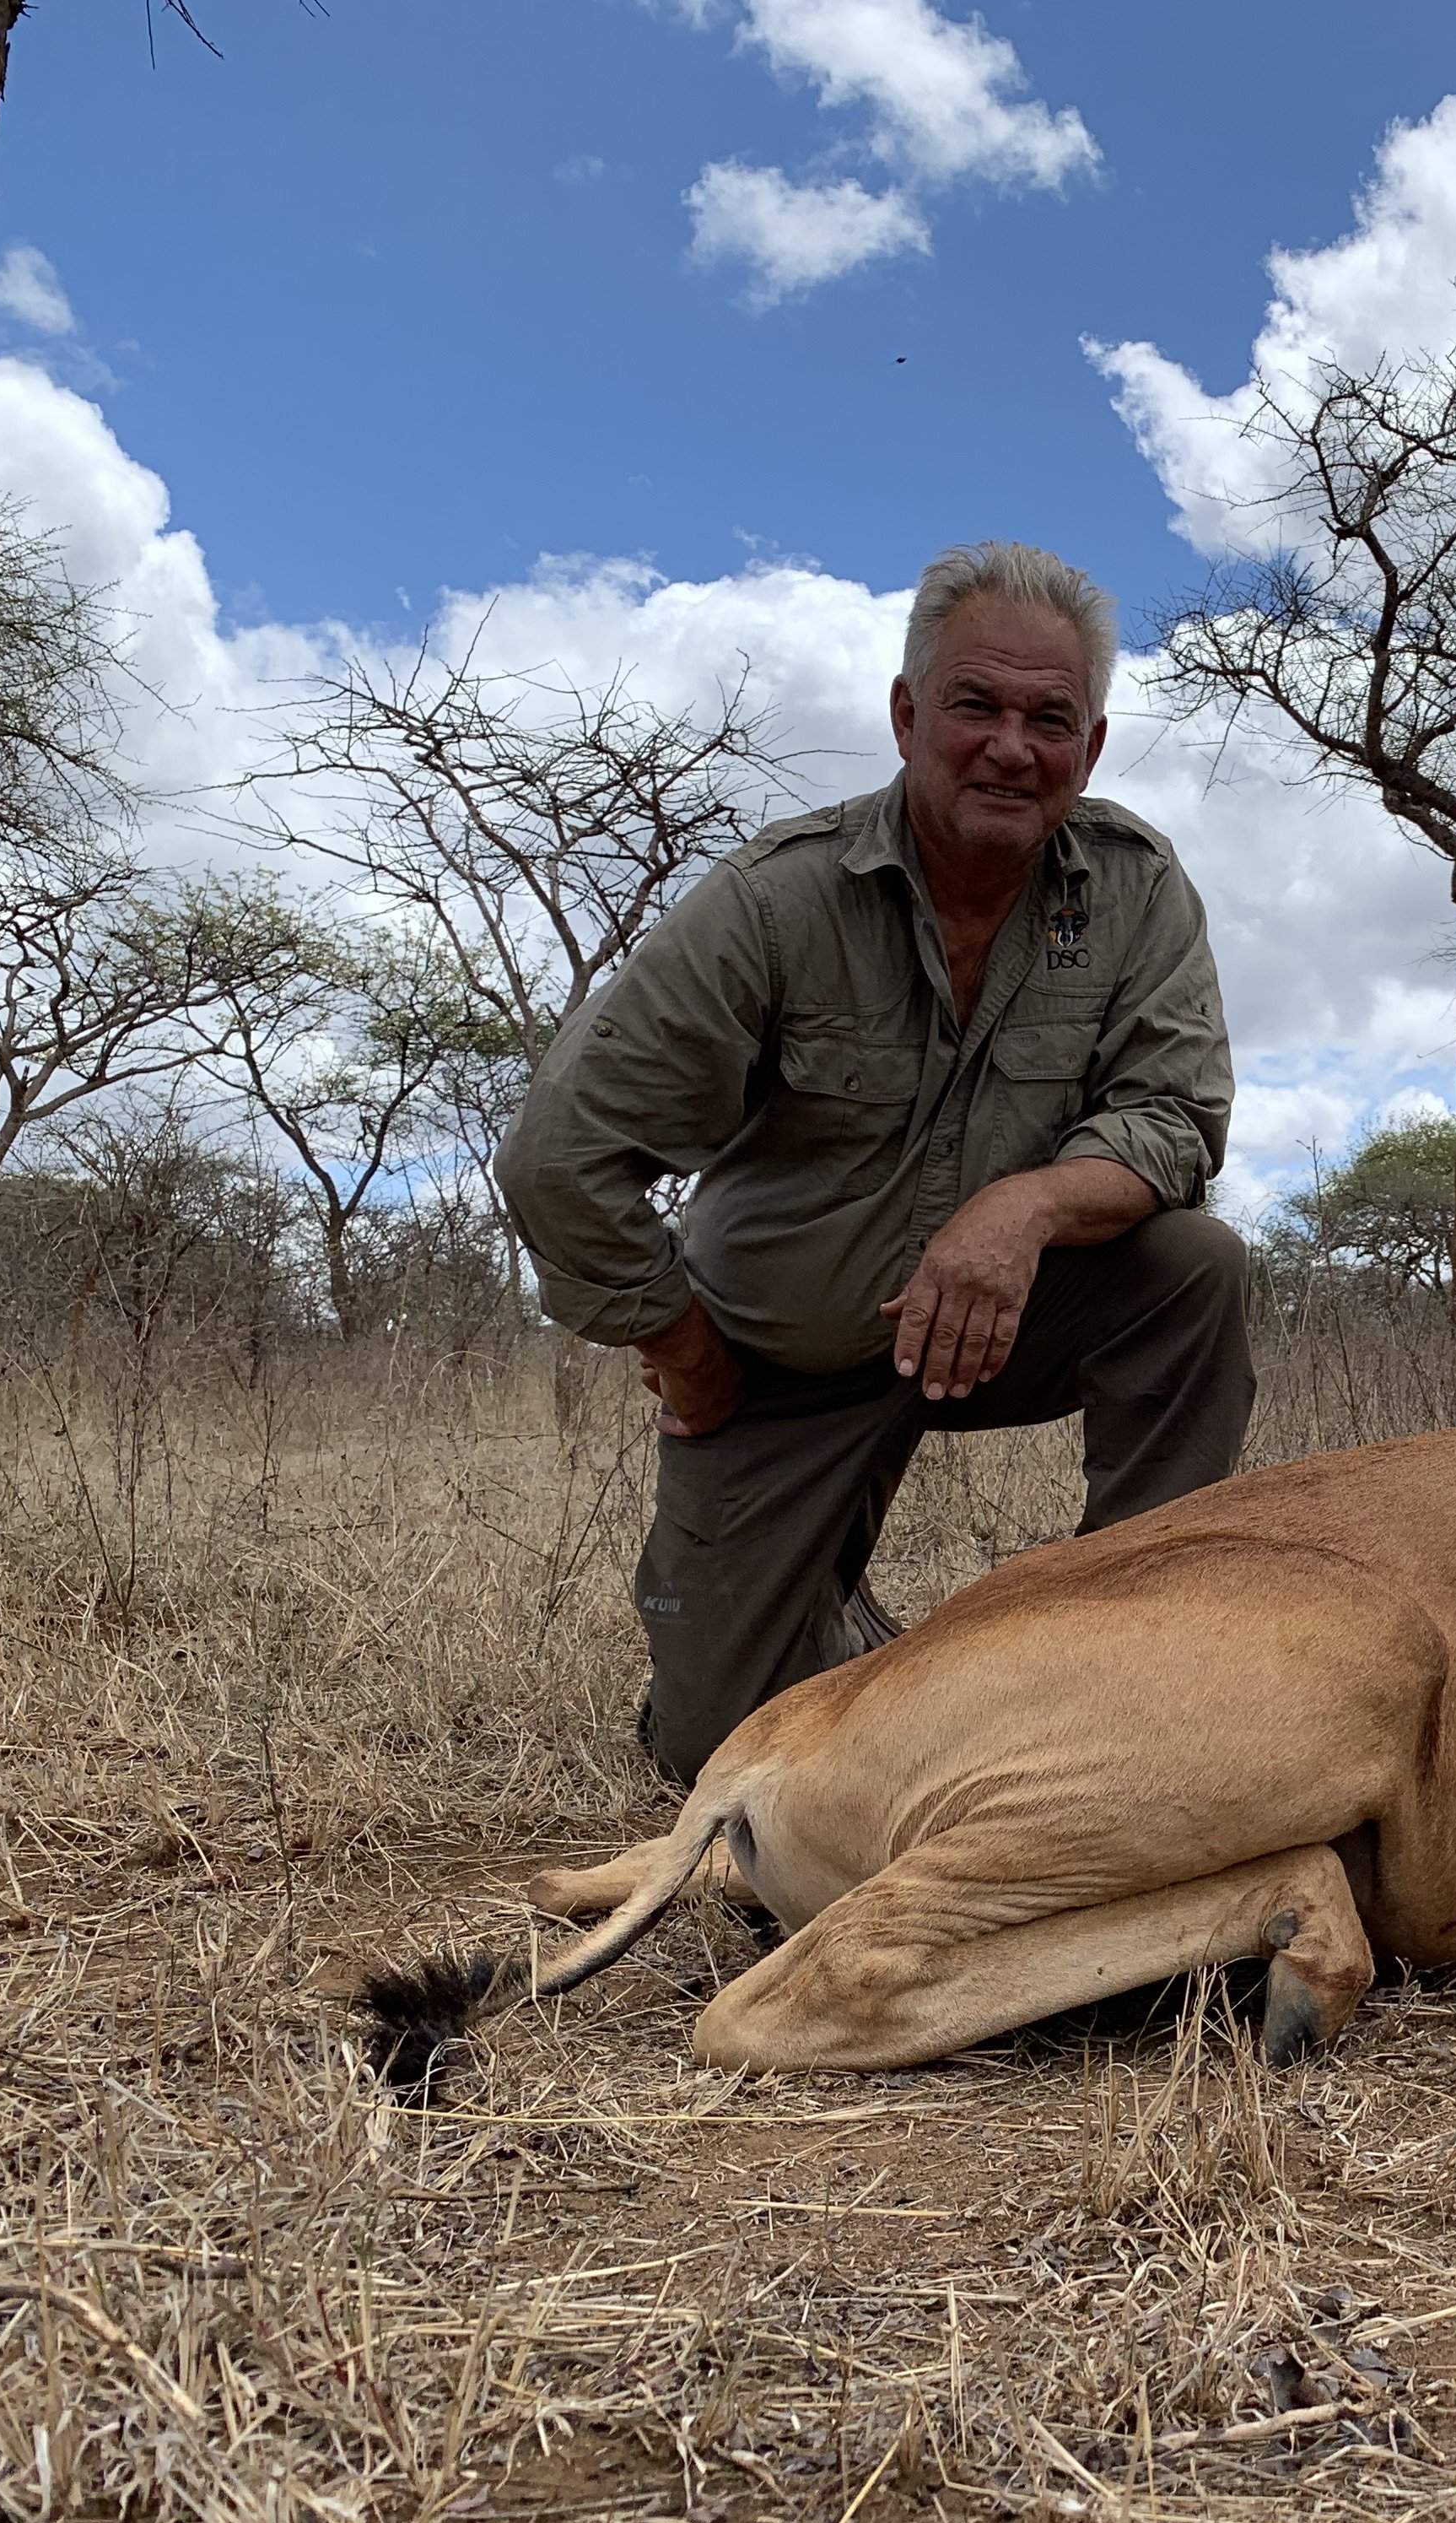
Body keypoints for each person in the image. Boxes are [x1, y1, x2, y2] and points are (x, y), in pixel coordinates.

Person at [495, 541, 1254, 1783]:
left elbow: (1175, 1117)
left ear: (1092, 747)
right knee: (720, 1757)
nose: (1012, 746)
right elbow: (559, 1157)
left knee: (1194, 1265)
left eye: (1049, 718)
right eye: (977, 706)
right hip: (781, 1364)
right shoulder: (772, 901)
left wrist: (1026, 1206)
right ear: (908, 718)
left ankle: (1134, 1650)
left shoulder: (1131, 886)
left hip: (1007, 1323)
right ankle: (830, 1637)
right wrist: (682, 1347)